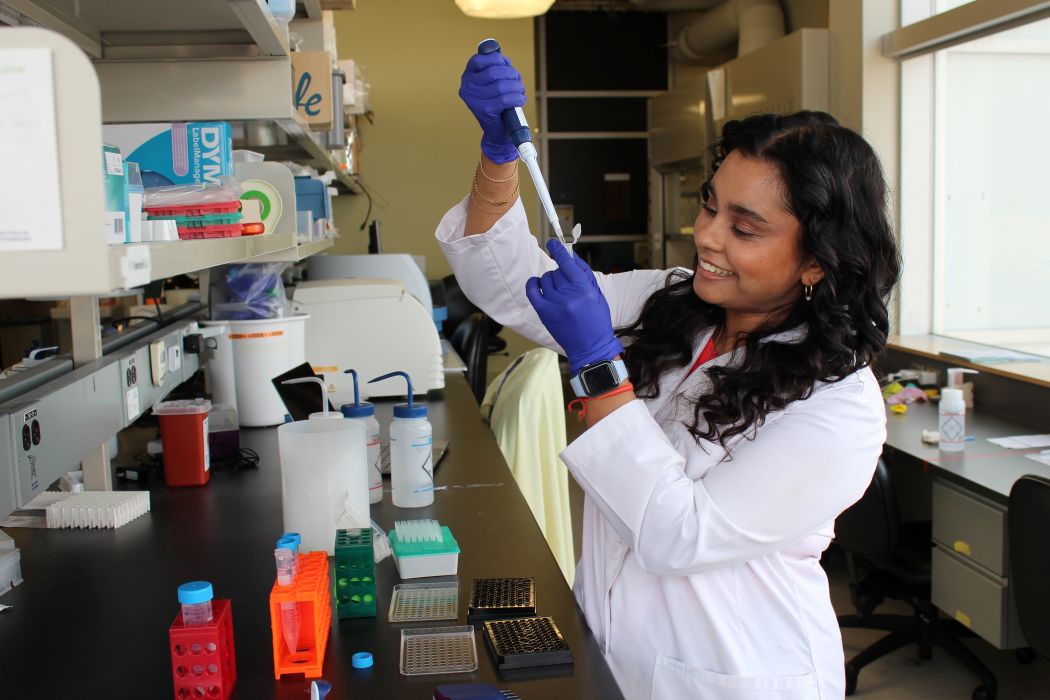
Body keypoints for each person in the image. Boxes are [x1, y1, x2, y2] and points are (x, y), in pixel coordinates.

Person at [437, 48, 901, 700]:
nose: (707, 235)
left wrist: (599, 366)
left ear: (817, 262)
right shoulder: (674, 302)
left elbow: (678, 536)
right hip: (617, 649)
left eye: (745, 227)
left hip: (734, 677)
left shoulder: (837, 407)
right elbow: (519, 292)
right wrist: (498, 156)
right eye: (711, 207)